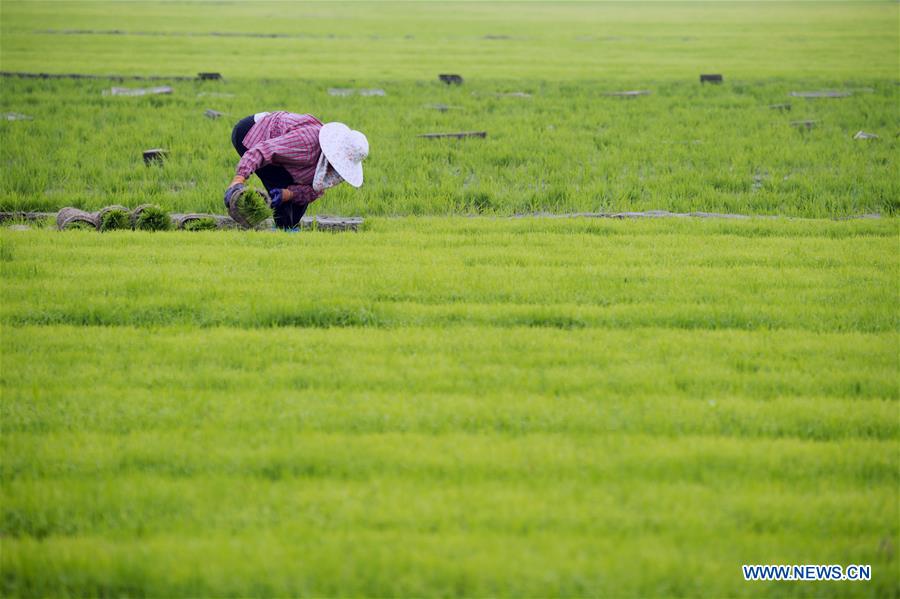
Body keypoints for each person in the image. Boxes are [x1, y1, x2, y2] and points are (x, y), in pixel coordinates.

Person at [225, 111, 369, 229]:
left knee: (293, 211)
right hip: (252, 133)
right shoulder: (306, 144)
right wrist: (238, 180)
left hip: (279, 152)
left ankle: (286, 230)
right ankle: (280, 232)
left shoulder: (336, 170)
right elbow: (262, 151)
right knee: (282, 198)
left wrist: (286, 194)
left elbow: (314, 189)